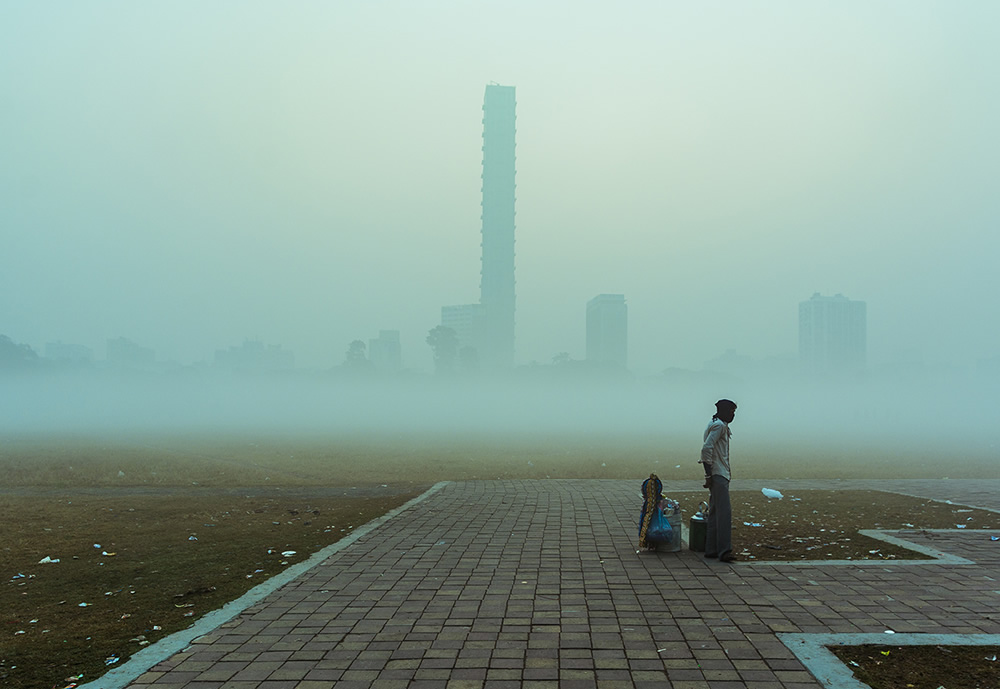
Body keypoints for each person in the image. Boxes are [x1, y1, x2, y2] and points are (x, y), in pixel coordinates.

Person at [700, 399, 737, 563]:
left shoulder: (716, 423)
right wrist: (708, 475)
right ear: (723, 411)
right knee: (724, 513)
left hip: (718, 473)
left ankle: (711, 550)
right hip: (718, 474)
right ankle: (724, 551)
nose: (733, 415)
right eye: (731, 411)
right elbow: (706, 449)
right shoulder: (719, 426)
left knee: (714, 512)